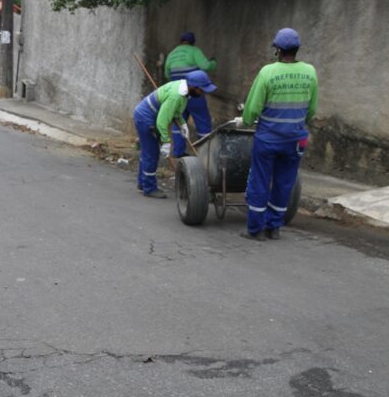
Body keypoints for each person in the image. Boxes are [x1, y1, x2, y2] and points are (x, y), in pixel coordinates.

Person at [234, 28, 318, 241]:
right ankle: (274, 227)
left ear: (278, 50)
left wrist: (247, 120)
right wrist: (298, 124)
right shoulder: (310, 72)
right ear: (297, 49)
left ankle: (255, 230)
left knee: (259, 181)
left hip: (269, 138)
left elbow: (252, 108)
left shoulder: (268, 72)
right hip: (296, 139)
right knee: (284, 183)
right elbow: (312, 109)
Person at [133, 70, 217, 198]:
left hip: (147, 116)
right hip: (146, 119)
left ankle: (142, 182)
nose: (203, 93)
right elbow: (162, 120)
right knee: (151, 153)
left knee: (147, 152)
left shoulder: (184, 90)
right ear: (194, 87)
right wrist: (166, 142)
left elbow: (176, 112)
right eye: (202, 90)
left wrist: (183, 124)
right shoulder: (176, 95)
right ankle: (149, 188)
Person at [164, 32, 217, 157]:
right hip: (194, 93)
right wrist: (213, 63)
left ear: (180, 40)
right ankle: (205, 153)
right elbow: (205, 66)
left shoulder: (171, 54)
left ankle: (178, 153)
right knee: (203, 122)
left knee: (178, 122)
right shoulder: (194, 51)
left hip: (177, 94)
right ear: (193, 42)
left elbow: (167, 75)